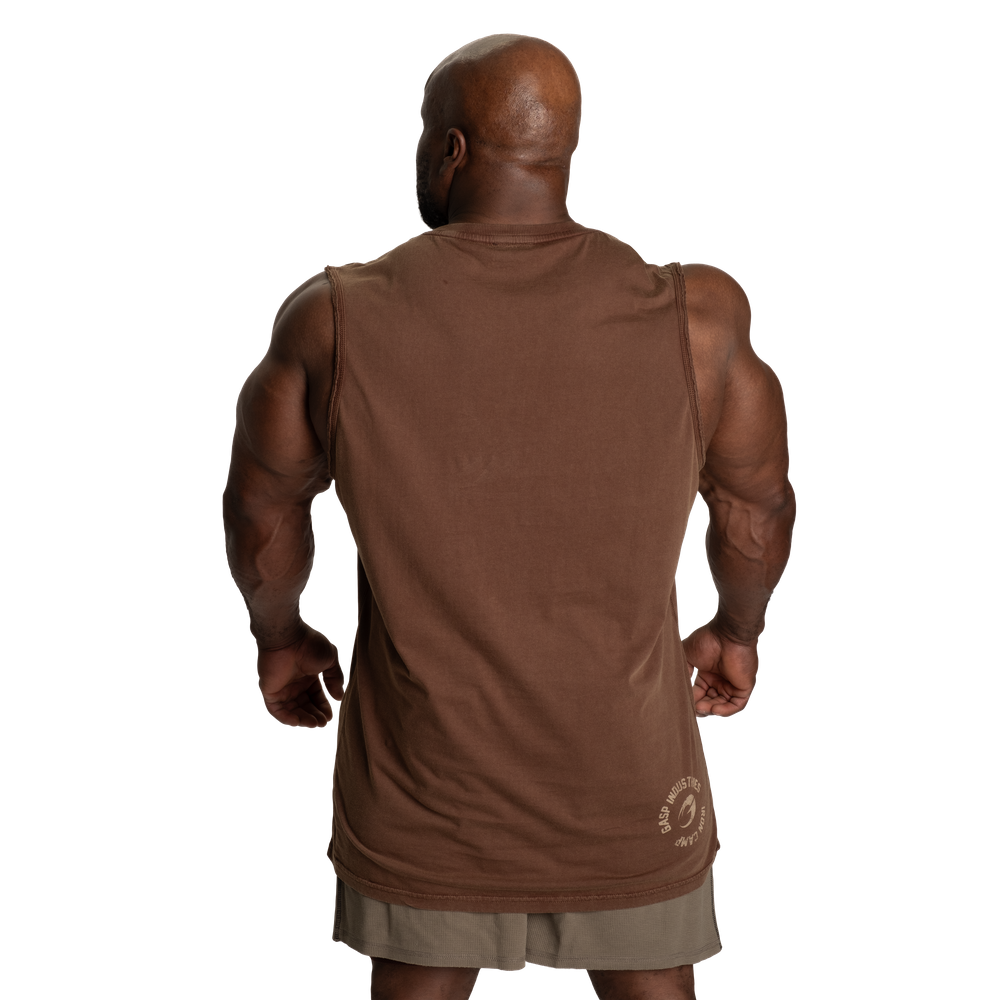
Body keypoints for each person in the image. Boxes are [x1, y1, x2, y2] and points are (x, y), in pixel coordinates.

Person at [222, 31, 796, 1000]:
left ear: (450, 149)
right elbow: (755, 506)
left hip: (425, 766)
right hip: (622, 763)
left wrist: (280, 640)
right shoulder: (695, 319)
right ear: (567, 153)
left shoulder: (333, 318)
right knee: (650, 983)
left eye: (424, 138)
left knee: (420, 982)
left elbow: (262, 504)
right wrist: (735, 634)